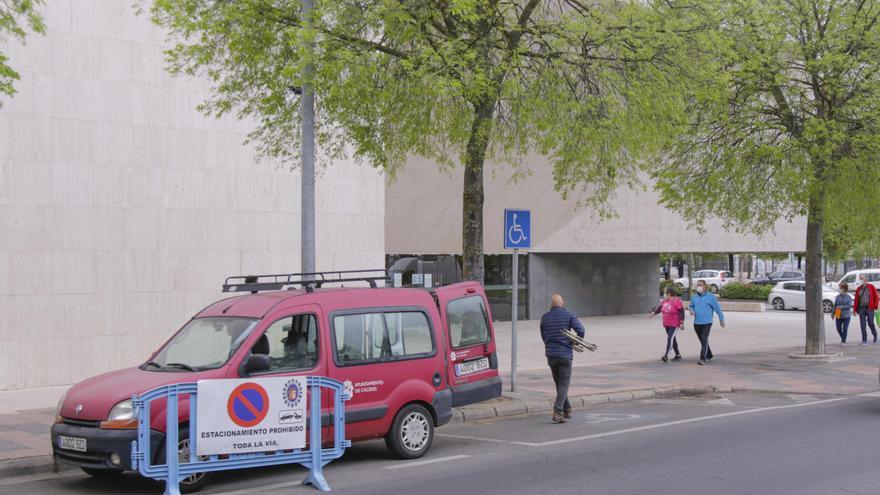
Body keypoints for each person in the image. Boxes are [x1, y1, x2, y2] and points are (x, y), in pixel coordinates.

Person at [539, 294, 586, 423]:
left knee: (559, 384)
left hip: (551, 355)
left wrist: (550, 346)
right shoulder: (569, 315)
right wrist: (575, 342)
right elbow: (581, 330)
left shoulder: (544, 317)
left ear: (551, 305)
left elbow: (543, 336)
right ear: (562, 304)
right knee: (564, 384)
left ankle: (567, 409)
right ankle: (558, 411)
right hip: (565, 354)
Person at [689, 279, 725, 365]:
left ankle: (703, 358)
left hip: (707, 322)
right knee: (702, 340)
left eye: (700, 285)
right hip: (697, 323)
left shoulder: (711, 297)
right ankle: (709, 354)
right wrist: (691, 310)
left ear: (705, 287)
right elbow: (691, 306)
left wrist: (721, 319)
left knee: (704, 338)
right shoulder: (694, 297)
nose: (699, 287)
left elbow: (717, 308)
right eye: (698, 285)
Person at [649, 286, 684, 362]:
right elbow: (660, 308)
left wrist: (681, 322)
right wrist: (654, 313)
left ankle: (666, 355)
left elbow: (681, 311)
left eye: (665, 292)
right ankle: (678, 355)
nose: (664, 294)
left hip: (674, 324)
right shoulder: (665, 300)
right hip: (667, 323)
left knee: (670, 338)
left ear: (669, 293)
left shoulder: (676, 301)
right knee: (672, 339)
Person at [853, 274, 878, 345]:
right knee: (862, 324)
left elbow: (876, 297)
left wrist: (876, 307)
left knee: (871, 323)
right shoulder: (858, 289)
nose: (861, 281)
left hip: (870, 308)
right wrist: (854, 310)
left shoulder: (871, 287)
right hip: (862, 309)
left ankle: (875, 336)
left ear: (866, 280)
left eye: (862, 279)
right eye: (860, 279)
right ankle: (864, 340)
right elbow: (856, 300)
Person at [832, 282, 853, 346]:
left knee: (845, 328)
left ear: (844, 289)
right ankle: (843, 338)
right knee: (838, 328)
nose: (839, 289)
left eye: (840, 288)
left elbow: (849, 306)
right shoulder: (837, 297)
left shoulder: (848, 297)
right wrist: (833, 313)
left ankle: (843, 341)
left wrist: (840, 307)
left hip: (846, 316)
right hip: (838, 315)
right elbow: (835, 305)